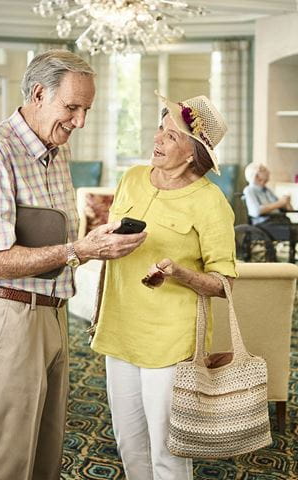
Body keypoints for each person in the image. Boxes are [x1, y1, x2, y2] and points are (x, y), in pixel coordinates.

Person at [0, 49, 146, 480]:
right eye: (72, 107)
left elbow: (51, 240)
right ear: (39, 93)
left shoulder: (55, 152)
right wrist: (80, 250)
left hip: (52, 312)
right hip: (7, 315)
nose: (80, 121)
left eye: (87, 110)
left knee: (45, 452)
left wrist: (92, 246)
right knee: (5, 455)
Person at [90, 93, 237, 480]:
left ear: (193, 153)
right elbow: (108, 242)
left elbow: (225, 285)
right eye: (160, 128)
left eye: (172, 136)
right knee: (129, 443)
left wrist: (181, 273)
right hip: (119, 330)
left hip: (171, 342)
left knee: (167, 454)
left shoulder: (211, 202)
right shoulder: (132, 178)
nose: (157, 139)